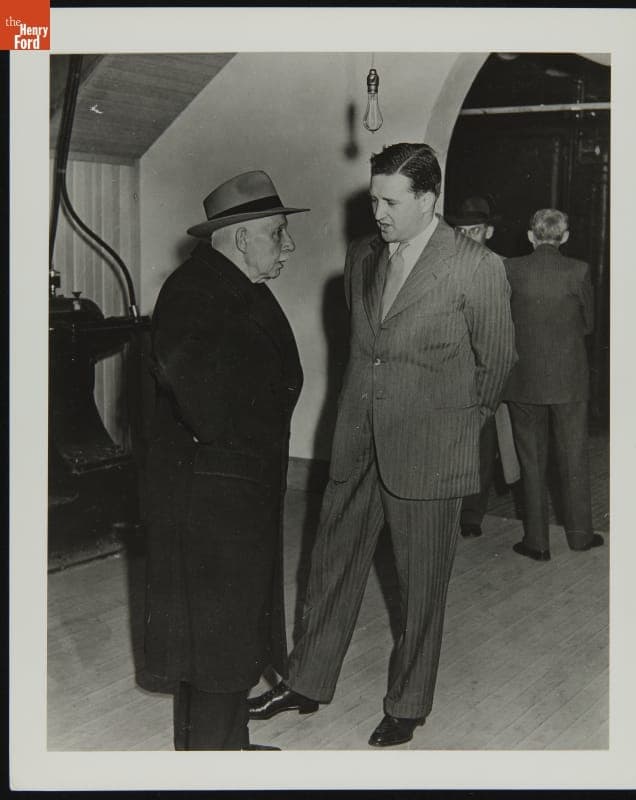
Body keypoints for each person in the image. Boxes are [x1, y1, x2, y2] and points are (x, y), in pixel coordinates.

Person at [247, 143, 516, 747]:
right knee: (328, 567)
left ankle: (409, 702)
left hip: (429, 450)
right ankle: (306, 681)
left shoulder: (476, 266)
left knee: (421, 588)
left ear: (429, 199)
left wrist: (454, 430)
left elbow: (497, 363)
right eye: (373, 199)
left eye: (391, 201)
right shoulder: (362, 255)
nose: (379, 213)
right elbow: (365, 352)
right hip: (356, 440)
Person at [142, 170, 308, 750]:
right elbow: (207, 409)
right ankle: (212, 763)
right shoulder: (195, 292)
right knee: (216, 637)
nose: (287, 246)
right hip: (210, 501)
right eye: (279, 233)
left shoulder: (232, 285)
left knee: (231, 629)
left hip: (235, 492)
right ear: (242, 237)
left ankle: (224, 746)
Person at [503, 208, 603, 561]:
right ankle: (579, 537)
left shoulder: (511, 269)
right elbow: (589, 324)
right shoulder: (579, 270)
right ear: (565, 237)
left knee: (531, 461)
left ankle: (536, 542)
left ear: (530, 236)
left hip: (524, 380)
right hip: (569, 379)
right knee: (573, 456)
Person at [448, 196, 519, 538]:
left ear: (488, 231)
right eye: (459, 230)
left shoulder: (504, 267)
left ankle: (472, 516)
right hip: (448, 371)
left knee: (482, 444)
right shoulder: (444, 266)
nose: (465, 237)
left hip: (486, 370)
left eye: (473, 230)